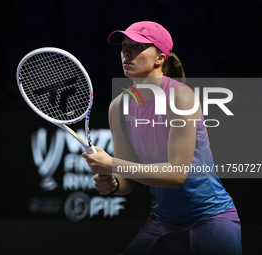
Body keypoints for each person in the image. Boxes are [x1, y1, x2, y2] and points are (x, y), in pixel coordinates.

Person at [82, 21, 241, 255]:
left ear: (159, 58)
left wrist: (112, 163)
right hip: (163, 221)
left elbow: (177, 175)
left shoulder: (180, 97)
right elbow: (127, 180)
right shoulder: (118, 107)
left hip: (211, 218)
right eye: (125, 45)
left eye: (137, 47)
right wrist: (115, 183)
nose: (126, 52)